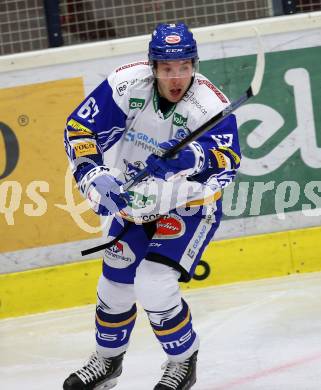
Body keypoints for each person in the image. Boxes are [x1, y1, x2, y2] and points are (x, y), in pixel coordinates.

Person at [63, 23, 241, 390]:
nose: (176, 77)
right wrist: (94, 176)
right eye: (166, 68)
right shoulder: (127, 84)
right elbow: (80, 129)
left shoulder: (209, 104)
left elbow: (227, 160)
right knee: (114, 282)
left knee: (154, 284)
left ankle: (182, 362)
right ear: (152, 65)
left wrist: (189, 158)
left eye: (184, 66)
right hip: (136, 201)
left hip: (189, 205)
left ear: (194, 63)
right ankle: (108, 361)